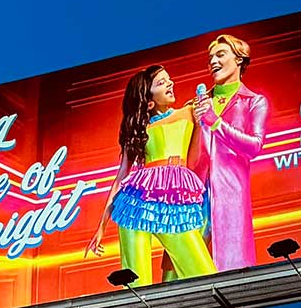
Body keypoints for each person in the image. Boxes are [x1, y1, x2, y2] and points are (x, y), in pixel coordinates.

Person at [86, 65, 216, 283]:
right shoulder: (138, 129)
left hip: (174, 202)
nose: (170, 83)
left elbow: (194, 160)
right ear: (149, 100)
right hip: (135, 206)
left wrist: (205, 121)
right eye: (162, 82)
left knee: (203, 274)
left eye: (169, 79)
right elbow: (121, 177)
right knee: (136, 282)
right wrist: (102, 226)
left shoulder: (189, 112)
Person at [190, 33, 269, 270]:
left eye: (220, 54)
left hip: (230, 197)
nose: (213, 61)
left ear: (239, 59)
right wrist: (196, 123)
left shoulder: (254, 102)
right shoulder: (196, 104)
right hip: (195, 196)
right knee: (188, 270)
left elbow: (254, 146)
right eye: (210, 57)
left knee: (231, 270)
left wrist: (216, 123)